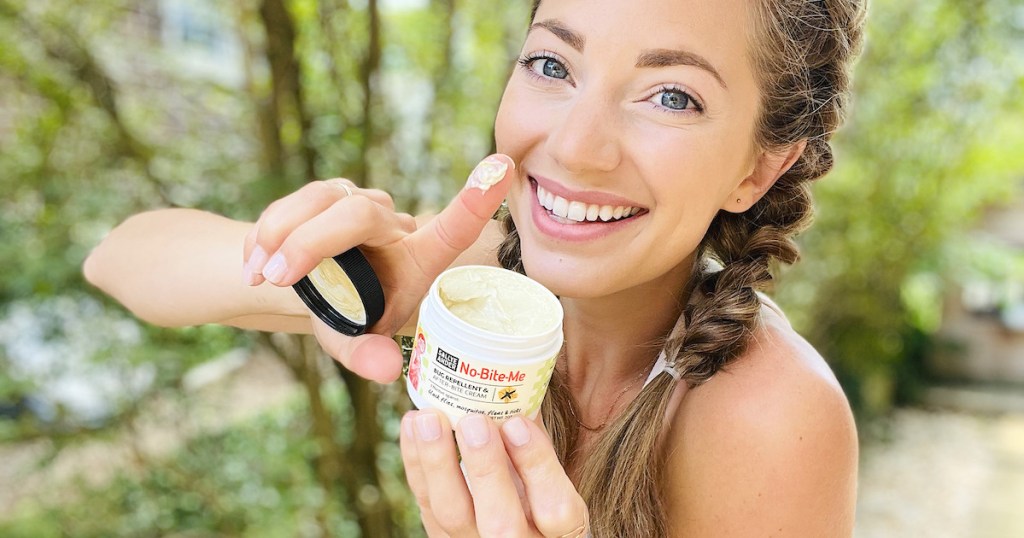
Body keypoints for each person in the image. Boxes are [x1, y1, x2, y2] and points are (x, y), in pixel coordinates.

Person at [85, 0, 866, 535]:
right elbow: (120, 257)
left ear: (758, 169)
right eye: (553, 67)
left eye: (671, 96)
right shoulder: (468, 286)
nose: (575, 146)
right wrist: (314, 268)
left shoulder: (771, 419)